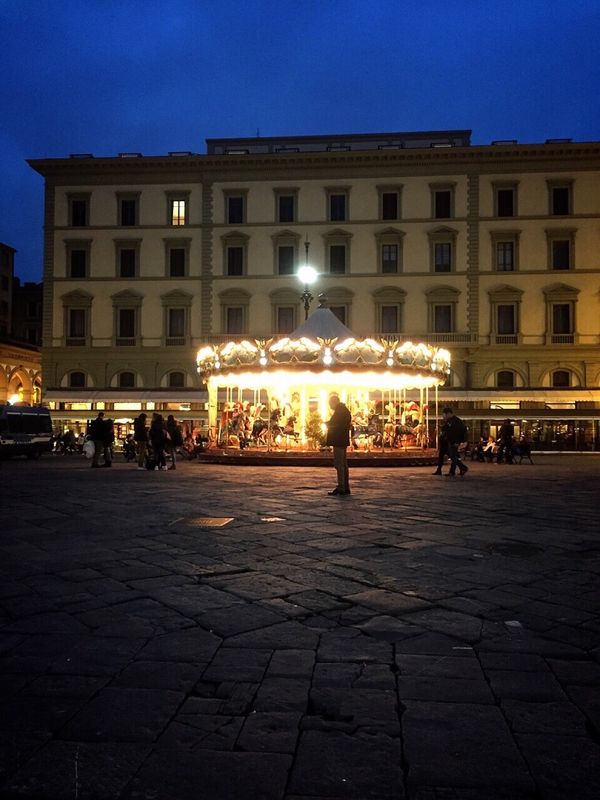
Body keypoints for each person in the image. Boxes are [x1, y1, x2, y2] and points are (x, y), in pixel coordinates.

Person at [325, 393, 352, 496]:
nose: (330, 406)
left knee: (339, 464)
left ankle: (341, 486)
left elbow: (336, 424)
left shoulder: (339, 411)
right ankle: (345, 486)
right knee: (344, 464)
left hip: (338, 439)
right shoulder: (344, 410)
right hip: (342, 439)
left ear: (334, 402)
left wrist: (327, 424)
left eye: (330, 404)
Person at [440, 407, 469, 477]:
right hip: (451, 441)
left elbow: (460, 432)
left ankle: (454, 471)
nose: (443, 416)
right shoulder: (449, 421)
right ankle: (462, 468)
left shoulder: (456, 421)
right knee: (453, 456)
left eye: (444, 414)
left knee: (453, 456)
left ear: (449, 414)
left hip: (454, 441)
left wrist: (459, 442)